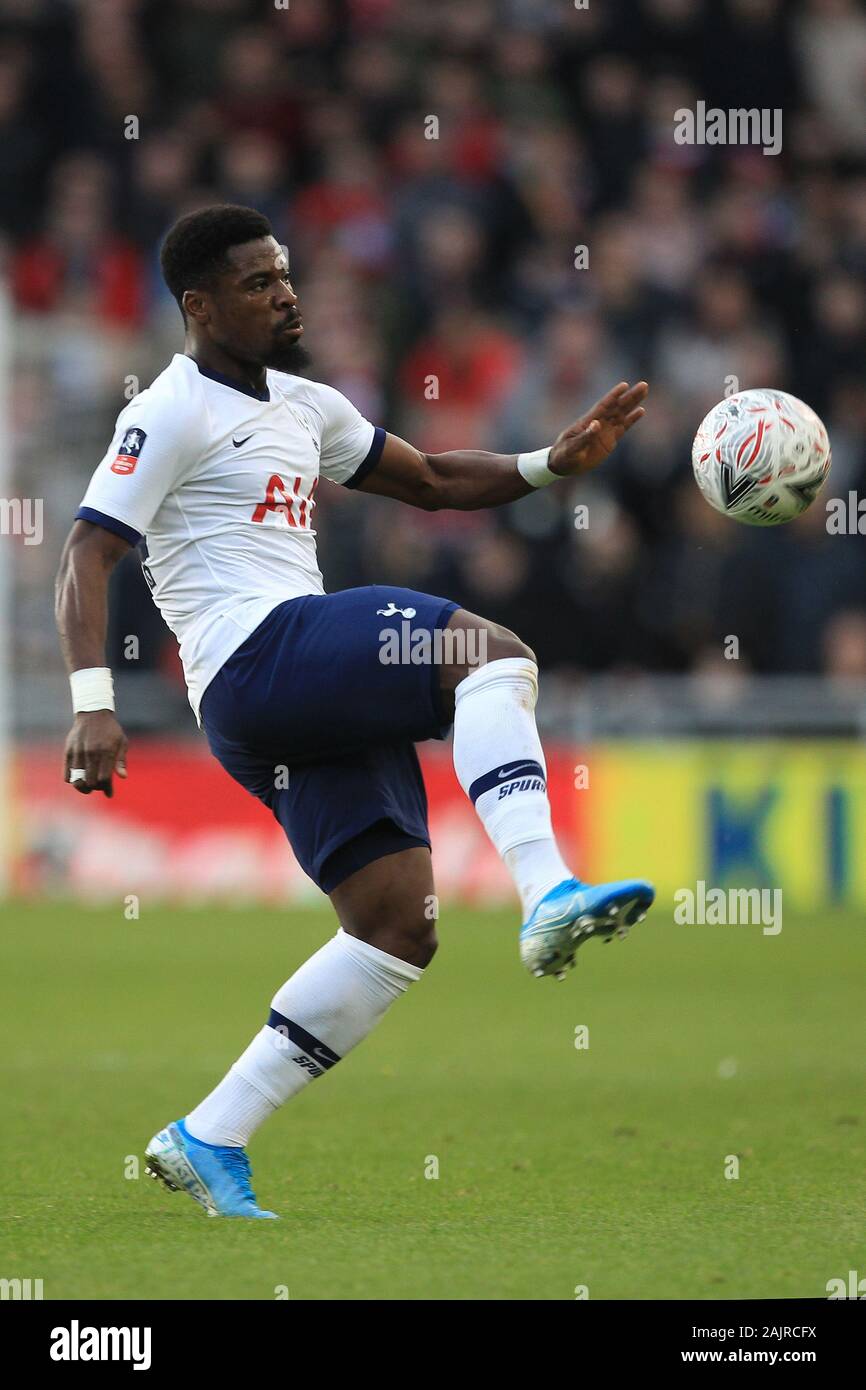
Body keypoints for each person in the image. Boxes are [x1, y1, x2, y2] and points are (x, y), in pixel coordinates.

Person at [55, 205, 654, 1220]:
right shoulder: (168, 411)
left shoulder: (306, 405)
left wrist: (550, 465)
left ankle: (210, 1135)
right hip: (255, 654)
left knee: (394, 924)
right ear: (199, 307)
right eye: (256, 283)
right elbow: (85, 550)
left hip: (282, 701)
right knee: (486, 654)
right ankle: (546, 888)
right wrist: (92, 703)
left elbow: (426, 480)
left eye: (283, 273)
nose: (284, 292)